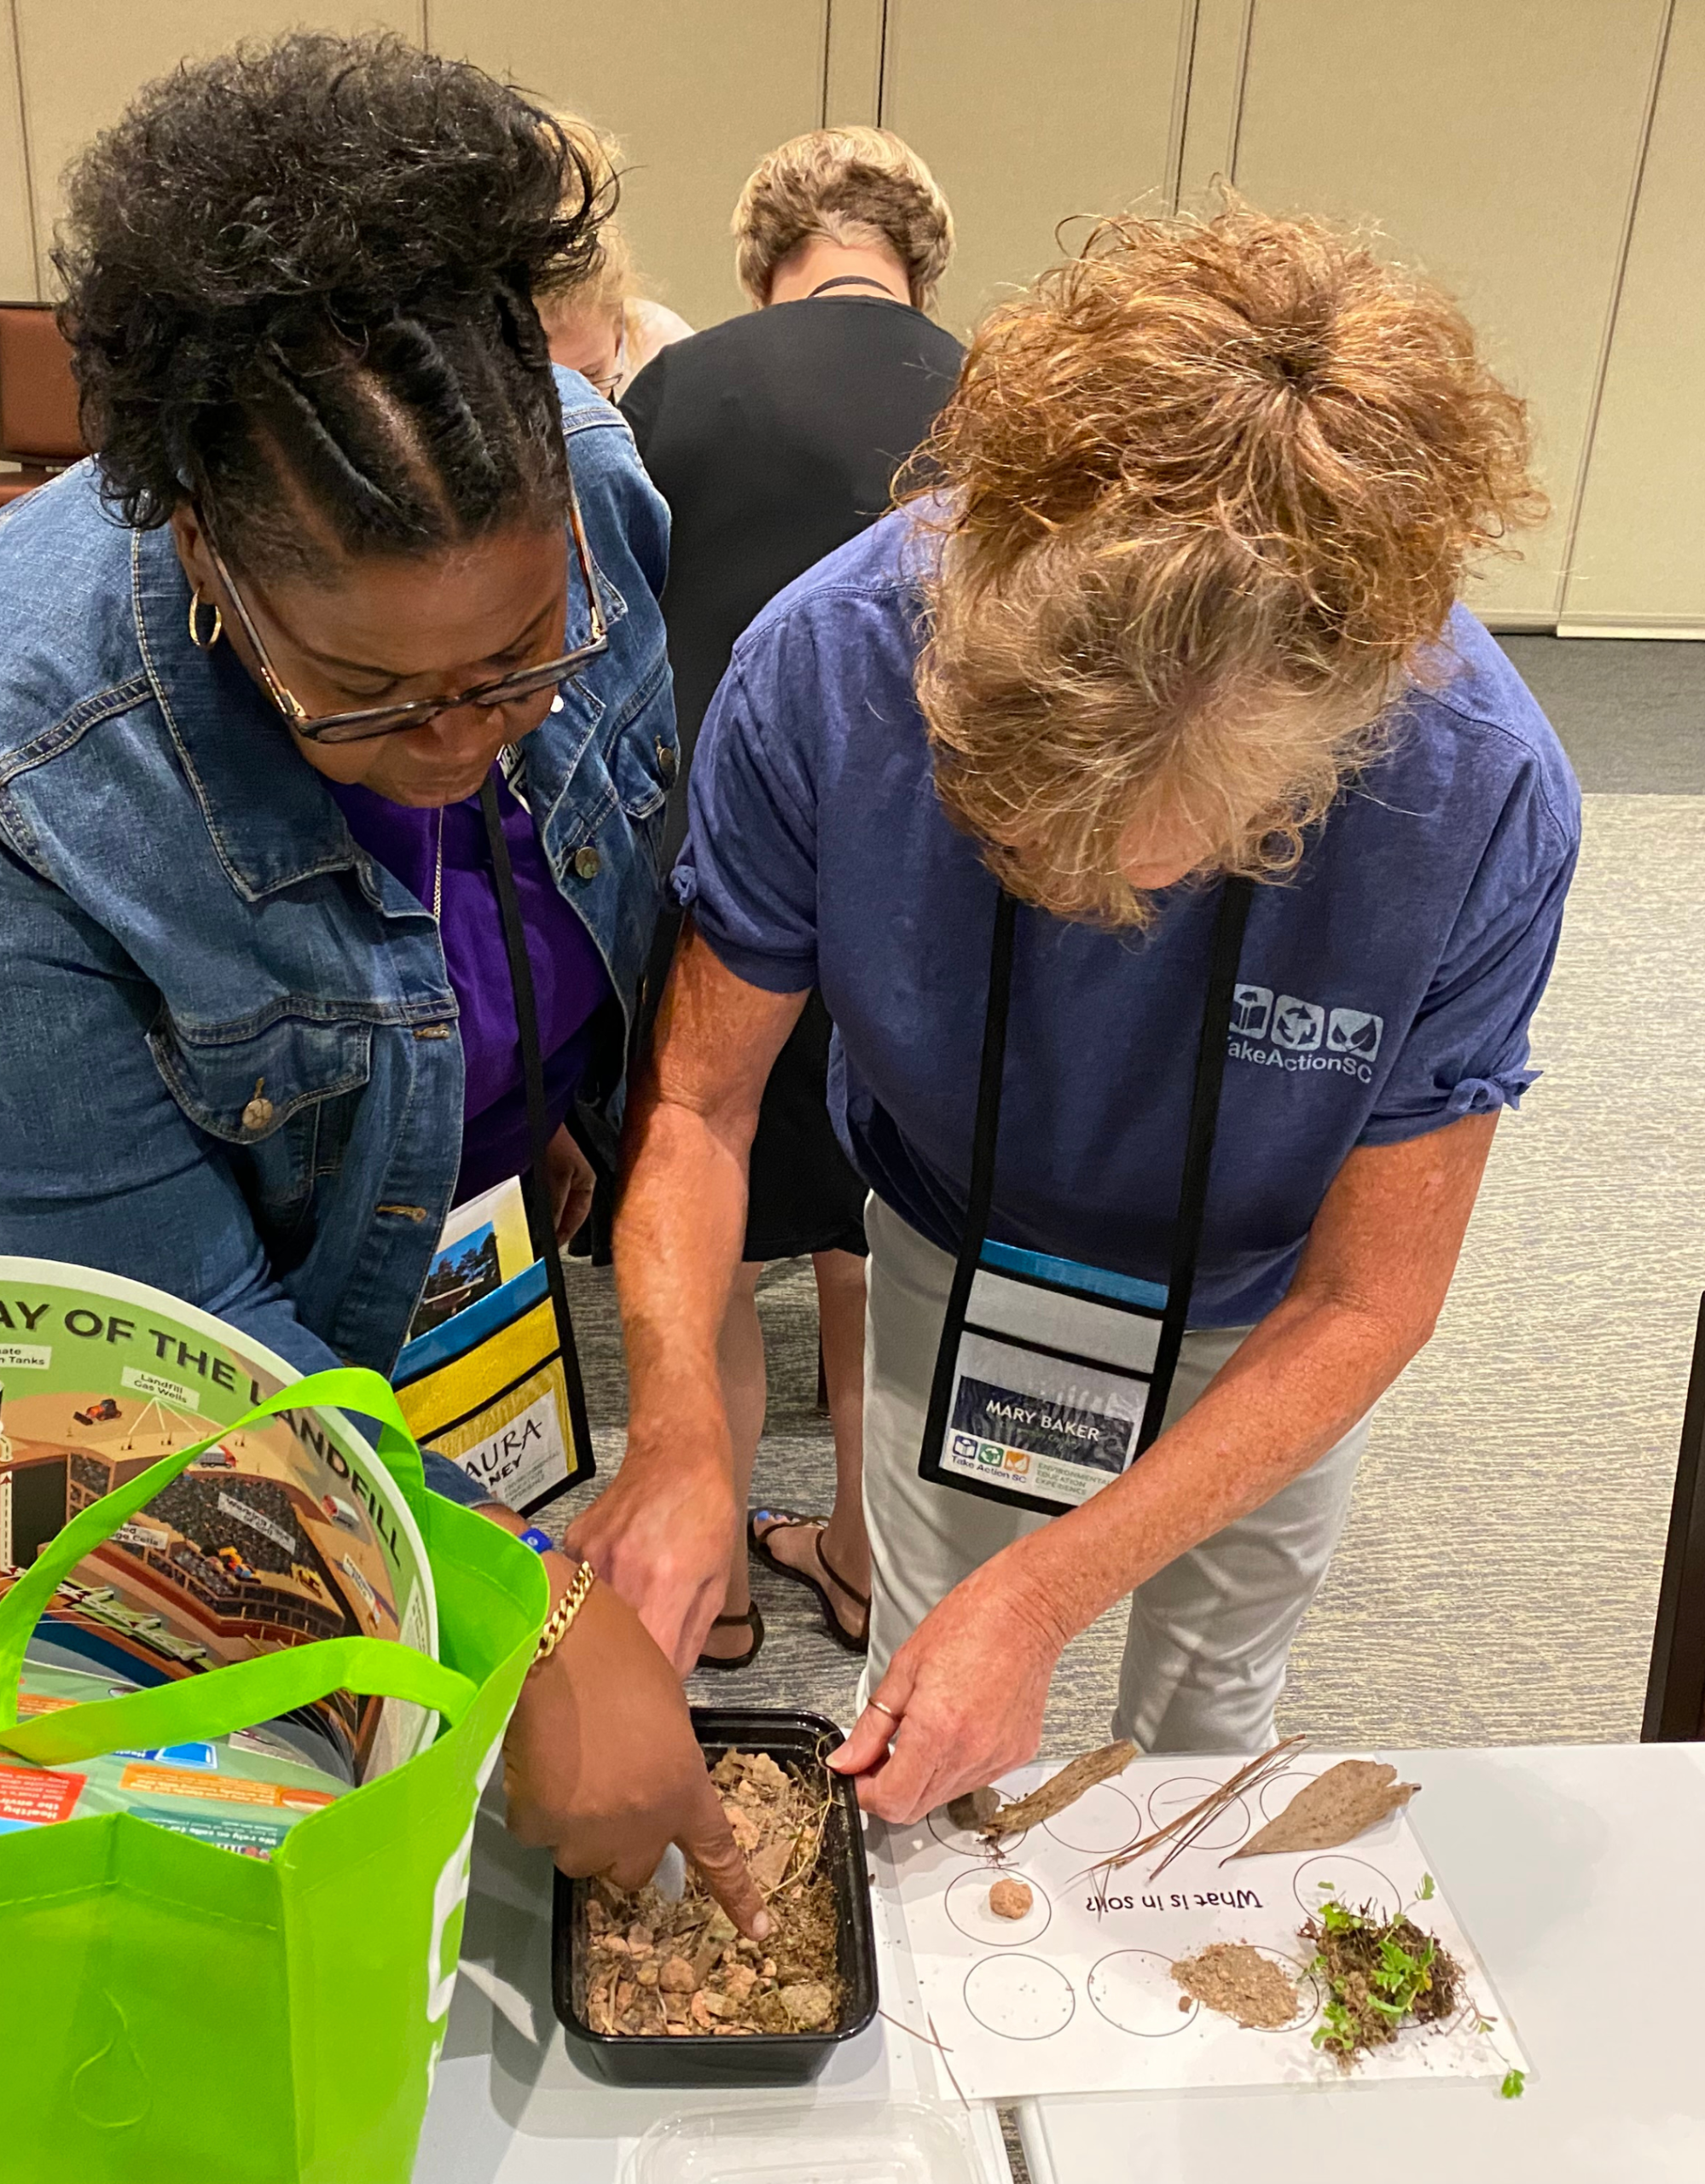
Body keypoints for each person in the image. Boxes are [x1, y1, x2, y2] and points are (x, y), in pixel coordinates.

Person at [0, 32, 763, 1930]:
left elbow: (601, 889)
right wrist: (531, 1619)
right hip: (49, 1335)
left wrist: (533, 1105)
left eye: (518, 657)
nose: (466, 733)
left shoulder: (600, 492)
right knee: (136, 1831)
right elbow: (180, 1350)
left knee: (383, 1735)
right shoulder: (0, 767)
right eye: (371, 697)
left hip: (384, 1211)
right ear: (205, 552)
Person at [568, 205, 1578, 1826]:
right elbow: (696, 1108)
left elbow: (1371, 1300)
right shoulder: (826, 669)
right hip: (953, 1246)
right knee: (928, 1697)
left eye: (1134, 854)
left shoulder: (1476, 794)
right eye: (1000, 822)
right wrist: (684, 1423)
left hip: (1271, 1309)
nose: (1050, 883)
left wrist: (1049, 1598)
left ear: (1318, 761)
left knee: (1205, 1729)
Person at [617, 127, 964, 1665]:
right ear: (921, 261)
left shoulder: (681, 390)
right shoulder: (1005, 395)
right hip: (934, 880)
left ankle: (724, 1581)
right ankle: (864, 1556)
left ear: (762, 262)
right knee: (880, 1234)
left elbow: (612, 638)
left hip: (722, 863)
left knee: (725, 1214)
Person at [536, 113, 693, 402]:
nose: (572, 406)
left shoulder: (666, 356)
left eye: (592, 374)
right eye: (547, 382)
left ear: (619, 326)